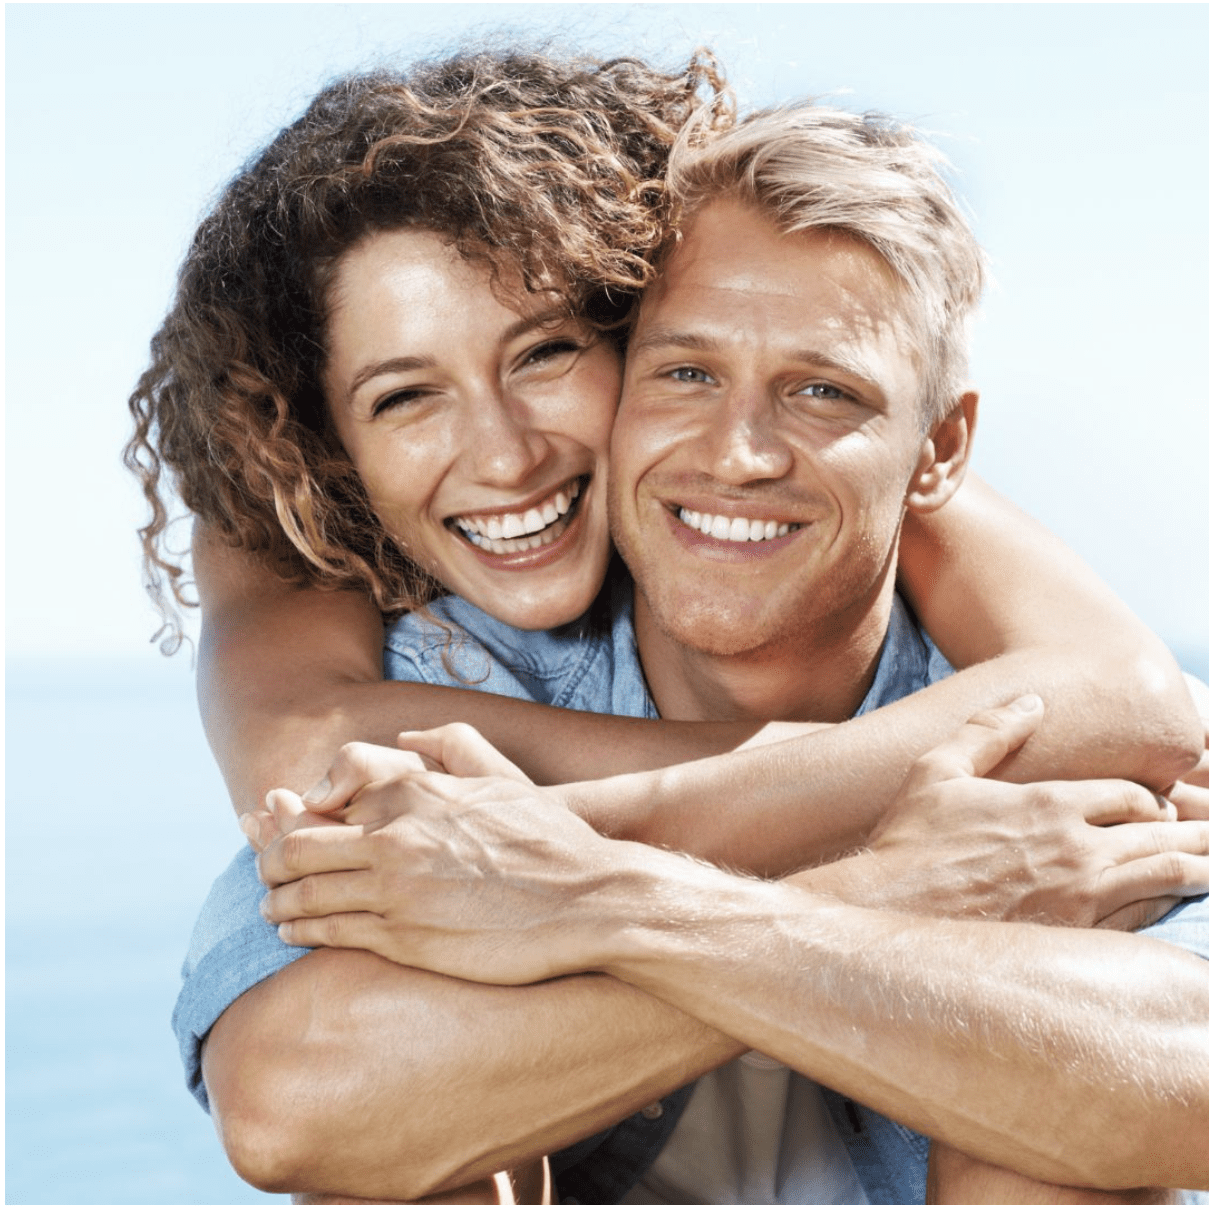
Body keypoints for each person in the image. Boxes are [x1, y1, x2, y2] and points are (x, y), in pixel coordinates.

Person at [162, 83, 1209, 1204]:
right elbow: (290, 1107)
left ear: (937, 448)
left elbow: (1187, 1084)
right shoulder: (446, 683)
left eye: (823, 391)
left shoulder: (1031, 730)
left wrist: (595, 894)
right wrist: (900, 886)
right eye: (688, 372)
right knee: (394, 1169)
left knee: (1062, 1116)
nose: (741, 453)